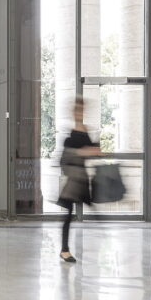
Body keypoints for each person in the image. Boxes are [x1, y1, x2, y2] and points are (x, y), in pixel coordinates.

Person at [56, 99, 102, 265]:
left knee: (95, 212)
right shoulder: (69, 135)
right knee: (68, 216)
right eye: (77, 110)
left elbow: (93, 151)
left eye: (81, 110)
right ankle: (64, 249)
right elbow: (64, 159)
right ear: (73, 112)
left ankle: (102, 241)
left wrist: (92, 151)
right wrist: (80, 152)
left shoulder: (86, 131)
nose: (79, 113)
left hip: (82, 179)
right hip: (73, 181)